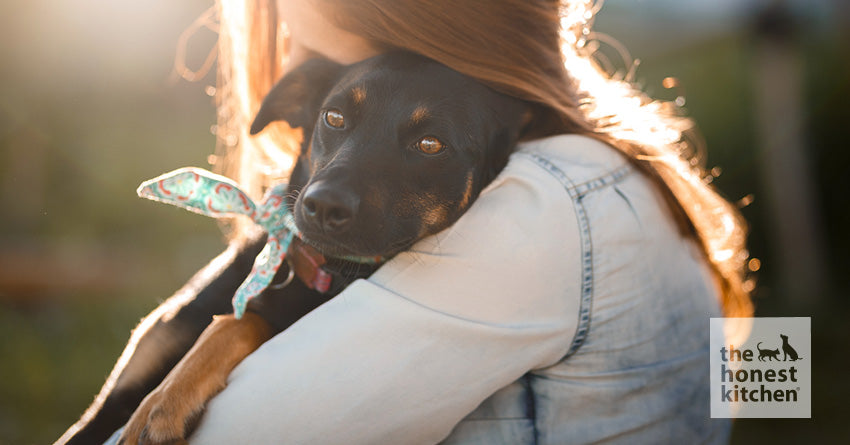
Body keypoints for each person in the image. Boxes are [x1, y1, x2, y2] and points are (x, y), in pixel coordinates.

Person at [106, 0, 754, 443]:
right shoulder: (607, 171)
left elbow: (237, 433)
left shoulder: (528, 213)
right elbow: (764, 389)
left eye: (425, 145)